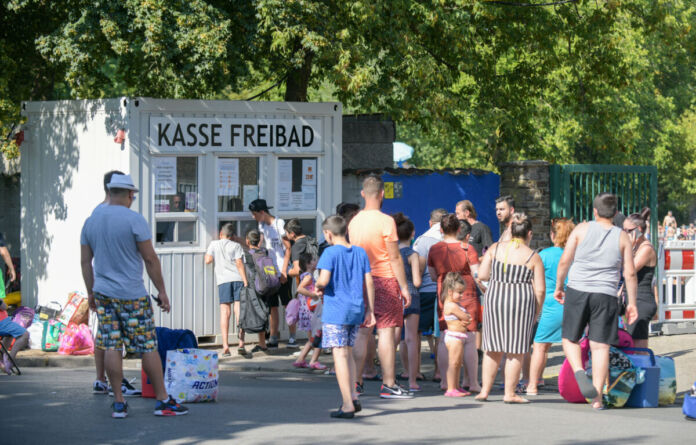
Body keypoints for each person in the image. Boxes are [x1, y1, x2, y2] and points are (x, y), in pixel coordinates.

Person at [80, 173, 188, 418]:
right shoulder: (134, 220)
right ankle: (162, 400)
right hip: (132, 295)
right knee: (147, 346)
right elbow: (150, 259)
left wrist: (91, 293)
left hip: (104, 294)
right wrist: (161, 290)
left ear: (110, 192)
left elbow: (86, 262)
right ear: (130, 194)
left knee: (111, 345)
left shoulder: (91, 221)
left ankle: (118, 402)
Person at [554, 192, 638, 410]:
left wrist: (559, 286)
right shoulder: (622, 237)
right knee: (600, 346)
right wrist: (632, 303)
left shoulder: (581, 230)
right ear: (616, 213)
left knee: (570, 338)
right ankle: (597, 398)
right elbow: (629, 273)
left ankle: (579, 372)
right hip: (606, 293)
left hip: (578, 288)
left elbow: (565, 260)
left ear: (594, 211)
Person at [348, 175, 413, 399]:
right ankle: (388, 384)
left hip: (360, 280)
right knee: (385, 332)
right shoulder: (386, 221)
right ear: (382, 194)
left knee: (362, 332)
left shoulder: (354, 221)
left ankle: (356, 382)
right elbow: (394, 258)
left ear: (363, 194)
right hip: (384, 280)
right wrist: (404, 287)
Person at [475, 213, 545, 404]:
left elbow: (482, 274)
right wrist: (536, 311)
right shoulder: (533, 256)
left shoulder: (495, 248)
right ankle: (509, 393)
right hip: (521, 303)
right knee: (516, 350)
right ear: (529, 233)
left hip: (495, 298)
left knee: (492, 348)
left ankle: (484, 391)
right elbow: (539, 289)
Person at [315, 215, 375, 418]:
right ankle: (354, 396)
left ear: (328, 234)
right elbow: (369, 282)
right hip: (356, 309)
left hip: (336, 311)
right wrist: (371, 310)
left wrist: (317, 286)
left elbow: (323, 280)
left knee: (339, 354)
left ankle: (347, 403)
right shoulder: (360, 252)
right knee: (348, 353)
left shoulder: (329, 253)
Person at [90, 170, 141, 397]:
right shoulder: (115, 214)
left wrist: (91, 288)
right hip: (121, 285)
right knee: (115, 339)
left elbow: (87, 256)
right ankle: (114, 384)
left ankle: (102, 380)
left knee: (104, 334)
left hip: (101, 284)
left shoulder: (96, 213)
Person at [427, 215, 477, 391]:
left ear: (441, 229)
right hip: (467, 291)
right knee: (469, 337)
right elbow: (476, 273)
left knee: (444, 335)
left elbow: (433, 276)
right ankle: (471, 382)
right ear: (458, 230)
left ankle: (445, 381)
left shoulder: (434, 249)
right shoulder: (467, 248)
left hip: (445, 291)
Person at [526, 217, 575, 396]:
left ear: (552, 235)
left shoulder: (543, 255)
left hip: (550, 305)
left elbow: (533, 282)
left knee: (540, 346)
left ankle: (533, 384)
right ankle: (576, 382)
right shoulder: (576, 254)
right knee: (574, 345)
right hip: (573, 304)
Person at [248, 199, 295, 349]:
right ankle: (273, 336)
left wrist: (284, 271)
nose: (253, 217)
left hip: (283, 270)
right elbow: (260, 245)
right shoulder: (262, 226)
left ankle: (292, 336)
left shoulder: (279, 224)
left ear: (262, 212)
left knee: (287, 303)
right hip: (270, 271)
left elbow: (288, 249)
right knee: (272, 305)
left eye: (254, 214)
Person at [412, 208, 447, 381]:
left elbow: (418, 266)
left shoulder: (422, 241)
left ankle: (415, 370)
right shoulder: (448, 239)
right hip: (443, 290)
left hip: (425, 290)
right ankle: (439, 372)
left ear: (430, 223)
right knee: (440, 333)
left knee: (416, 332)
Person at [205, 223, 248, 357]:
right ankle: (241, 343)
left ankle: (225, 346)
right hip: (237, 279)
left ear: (220, 234)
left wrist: (214, 257)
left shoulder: (214, 244)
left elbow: (207, 260)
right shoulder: (236, 246)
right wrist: (245, 281)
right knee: (238, 311)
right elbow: (239, 264)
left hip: (223, 281)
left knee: (225, 312)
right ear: (232, 236)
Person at [392, 213, 422, 392]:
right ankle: (412, 380)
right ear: (412, 234)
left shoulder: (392, 254)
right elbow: (417, 281)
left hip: (395, 296)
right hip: (412, 295)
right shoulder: (413, 254)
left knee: (394, 339)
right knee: (411, 340)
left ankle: (391, 377)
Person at [623, 208, 658, 348]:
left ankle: (645, 370)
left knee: (638, 348)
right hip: (633, 299)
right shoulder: (635, 248)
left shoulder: (646, 249)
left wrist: (628, 247)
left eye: (627, 230)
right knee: (632, 345)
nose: (624, 234)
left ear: (637, 230)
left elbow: (628, 271)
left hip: (642, 301)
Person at [293, 252, 326, 370]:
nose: (316, 261)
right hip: (310, 311)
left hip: (309, 310)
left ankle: (301, 359)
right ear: (308, 264)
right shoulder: (308, 276)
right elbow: (300, 289)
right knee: (318, 335)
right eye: (313, 260)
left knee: (314, 337)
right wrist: (313, 295)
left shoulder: (308, 275)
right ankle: (314, 361)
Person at [441, 272, 472, 397]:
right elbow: (466, 317)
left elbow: (467, 318)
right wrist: (465, 318)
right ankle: (450, 388)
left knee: (458, 363)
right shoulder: (451, 305)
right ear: (450, 291)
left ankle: (456, 386)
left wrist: (465, 318)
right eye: (459, 292)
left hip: (459, 336)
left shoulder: (456, 305)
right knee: (453, 362)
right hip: (454, 337)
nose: (461, 295)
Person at [244, 229, 269, 353]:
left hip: (254, 285)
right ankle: (263, 342)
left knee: (257, 311)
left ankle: (261, 343)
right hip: (266, 285)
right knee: (264, 309)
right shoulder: (265, 252)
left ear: (247, 241)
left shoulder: (247, 254)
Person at [0, 299, 29, 374]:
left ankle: (2, 359)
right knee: (25, 334)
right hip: (2, 323)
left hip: (4, 322)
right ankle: (9, 361)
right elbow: (3, 307)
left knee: (9, 335)